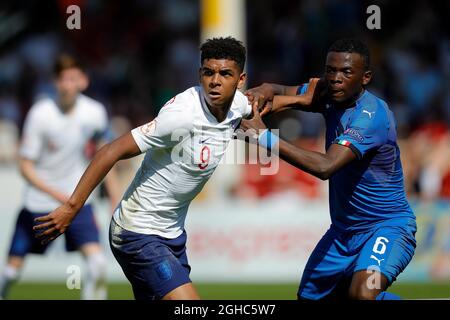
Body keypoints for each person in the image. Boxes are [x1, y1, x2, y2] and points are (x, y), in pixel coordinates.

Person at [32, 37, 254, 300]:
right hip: (137, 232)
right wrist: (71, 207)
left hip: (172, 236)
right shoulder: (181, 115)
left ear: (240, 80)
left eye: (225, 74)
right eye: (208, 72)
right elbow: (110, 151)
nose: (215, 81)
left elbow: (270, 97)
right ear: (199, 74)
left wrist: (306, 94)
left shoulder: (237, 105)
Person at [241, 38, 417, 300]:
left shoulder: (371, 116)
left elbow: (326, 166)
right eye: (330, 70)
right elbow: (286, 92)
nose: (336, 78)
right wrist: (266, 89)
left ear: (365, 77)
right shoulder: (329, 93)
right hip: (342, 233)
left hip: (386, 227)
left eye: (346, 72)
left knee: (363, 293)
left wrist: (263, 137)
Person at [0, 54, 121, 300]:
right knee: (10, 273)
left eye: (74, 79)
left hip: (77, 203)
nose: (68, 85)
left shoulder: (95, 112)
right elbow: (25, 166)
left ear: (84, 81)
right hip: (39, 204)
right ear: (56, 82)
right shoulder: (41, 114)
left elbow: (106, 156)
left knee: (97, 264)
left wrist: (115, 197)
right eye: (63, 79)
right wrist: (55, 194)